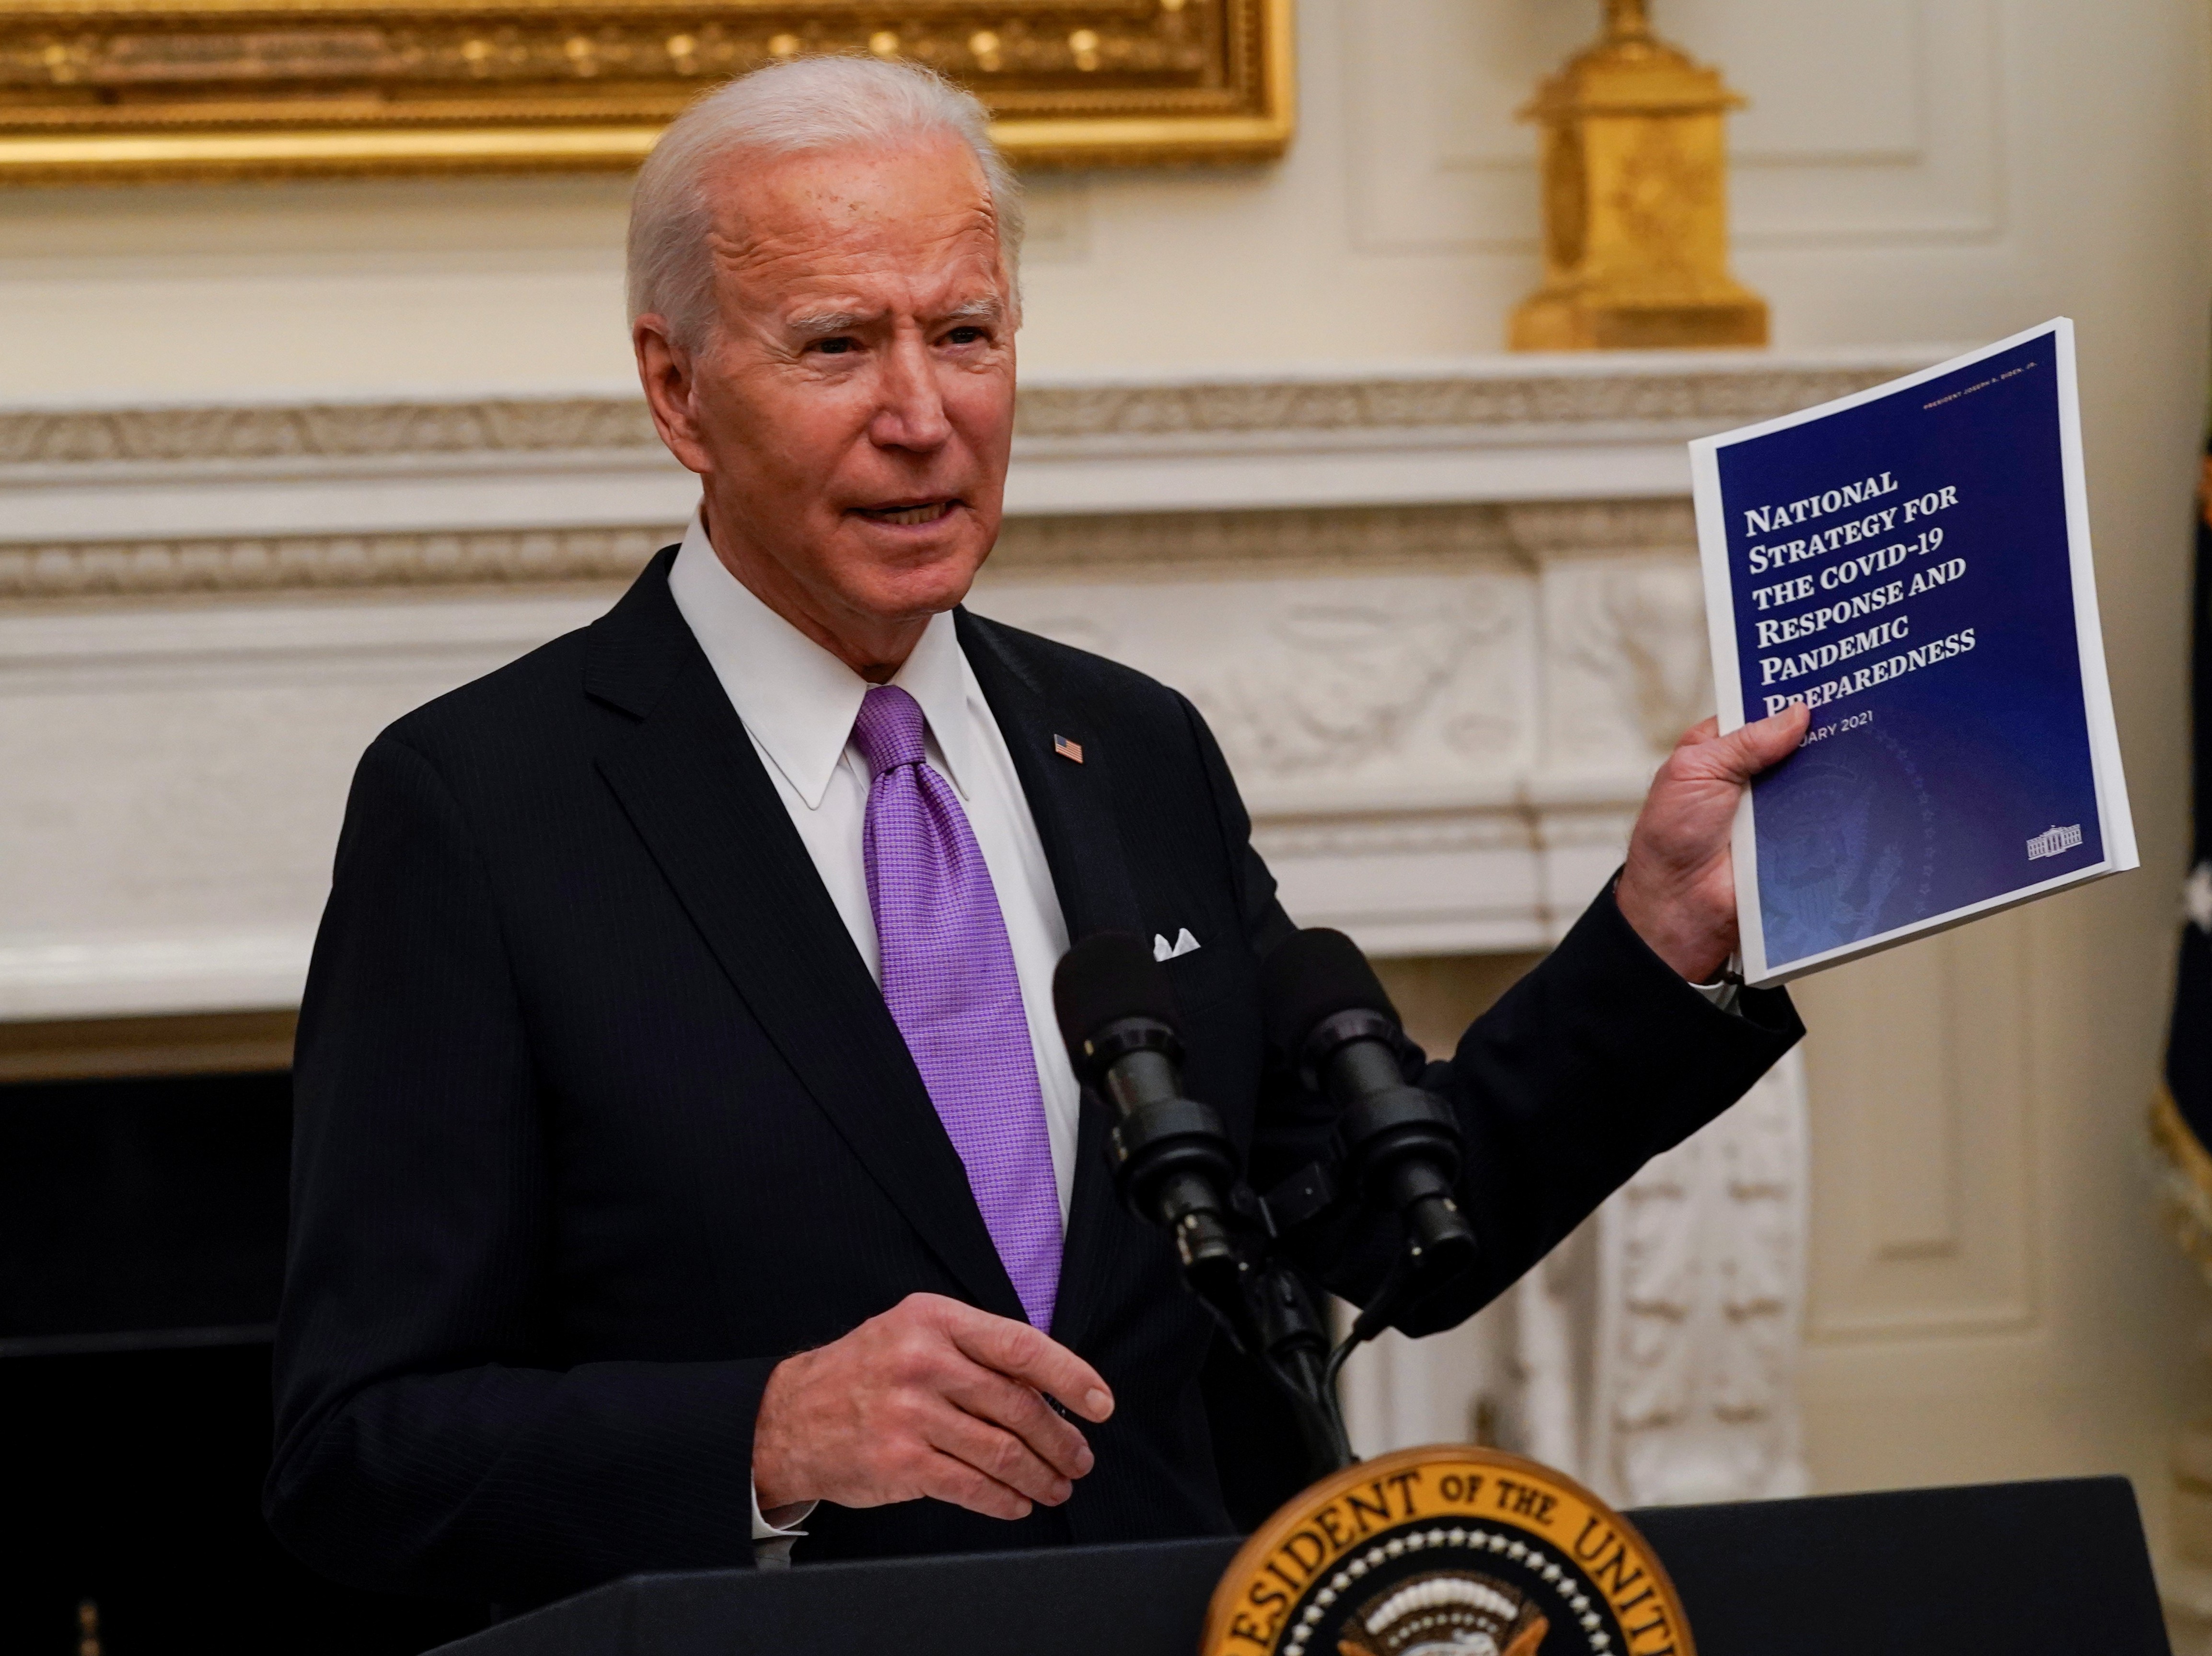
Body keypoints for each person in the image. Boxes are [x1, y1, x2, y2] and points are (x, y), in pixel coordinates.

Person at [263, 55, 1810, 1608]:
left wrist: (1661, 935)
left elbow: (1387, 1223)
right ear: (678, 389)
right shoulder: (478, 809)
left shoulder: (1134, 749)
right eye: (836, 345)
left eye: (965, 335)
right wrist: (764, 1435)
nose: (921, 417)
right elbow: (359, 1457)